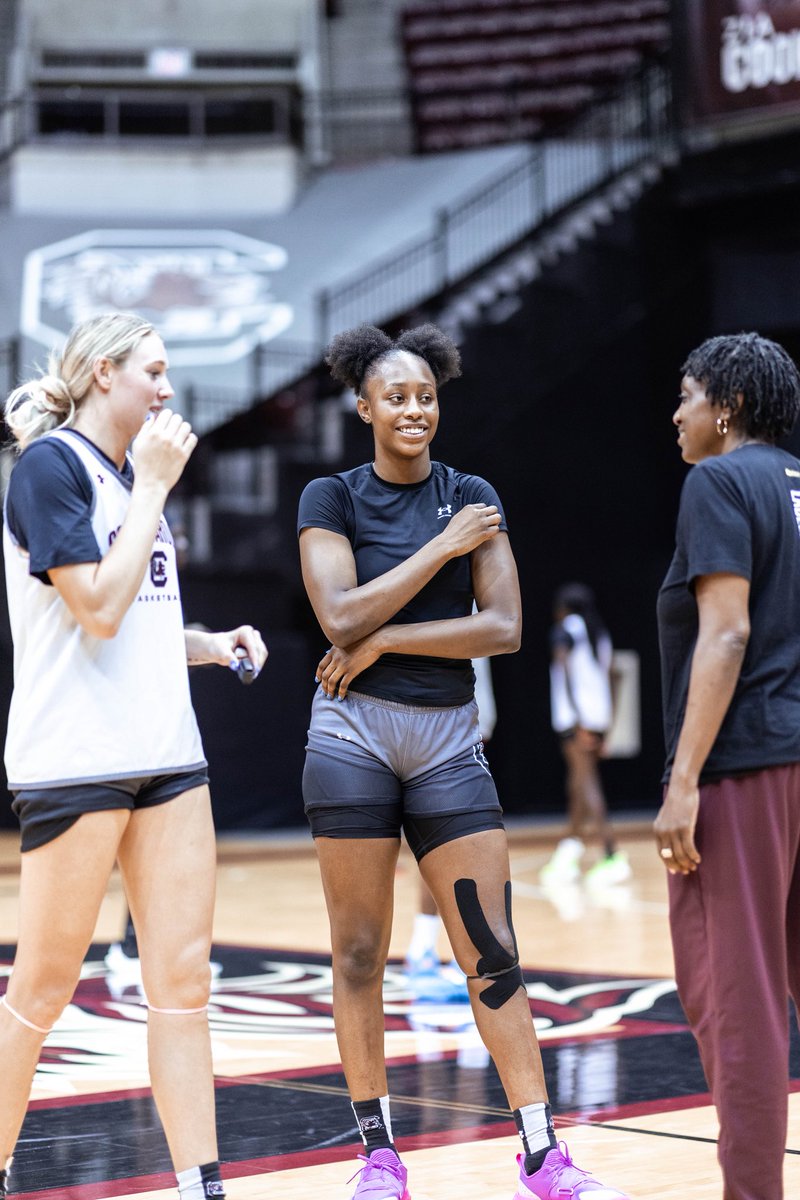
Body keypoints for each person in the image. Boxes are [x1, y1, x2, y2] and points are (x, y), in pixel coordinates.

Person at [297, 322, 631, 1200]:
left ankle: (541, 1153)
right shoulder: (330, 499)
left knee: (492, 949)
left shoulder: (473, 492)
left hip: (448, 737)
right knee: (360, 954)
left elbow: (504, 628)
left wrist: (391, 636)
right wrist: (442, 550)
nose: (414, 408)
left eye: (427, 395)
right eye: (396, 396)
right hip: (352, 736)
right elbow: (336, 618)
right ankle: (377, 1156)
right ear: (363, 406)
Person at [0, 313, 267, 1200]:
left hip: (166, 755)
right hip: (76, 760)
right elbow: (97, 612)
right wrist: (153, 489)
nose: (167, 388)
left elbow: (139, 620)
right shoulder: (50, 470)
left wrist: (207, 640)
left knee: (184, 986)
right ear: (104, 373)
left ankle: (202, 1186)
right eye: (153, 371)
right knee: (41, 993)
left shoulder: (129, 477)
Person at [654, 331, 800, 1200]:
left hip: (745, 771)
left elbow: (729, 631)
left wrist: (682, 782)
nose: (677, 413)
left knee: (737, 1004)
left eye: (687, 395)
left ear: (727, 406)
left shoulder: (716, 480)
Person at [404, 650, 496, 1004]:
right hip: (442, 722)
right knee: (444, 848)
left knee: (449, 848)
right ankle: (428, 950)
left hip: (460, 722)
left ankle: (429, 949)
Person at [542, 583, 630, 888]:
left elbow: (565, 672)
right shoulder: (599, 634)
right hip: (599, 717)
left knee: (588, 783)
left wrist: (578, 720)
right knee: (578, 783)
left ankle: (611, 853)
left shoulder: (566, 630)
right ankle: (570, 850)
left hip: (576, 719)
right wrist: (607, 724)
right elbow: (615, 677)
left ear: (563, 608)